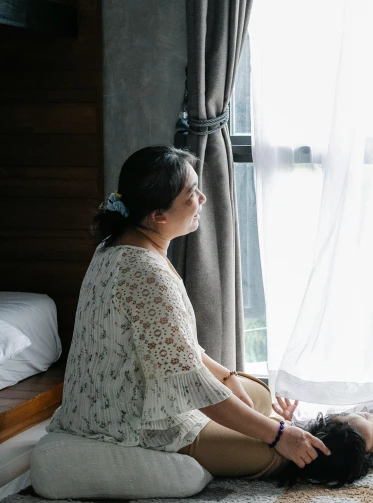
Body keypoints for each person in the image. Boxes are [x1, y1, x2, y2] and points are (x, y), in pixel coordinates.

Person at [47, 146, 330, 480]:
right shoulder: (145, 273)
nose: (203, 198)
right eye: (191, 193)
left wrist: (227, 378)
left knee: (257, 395)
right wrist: (280, 435)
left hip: (121, 396)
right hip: (132, 422)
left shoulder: (119, 245)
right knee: (271, 455)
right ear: (158, 216)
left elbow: (175, 347)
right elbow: (189, 385)